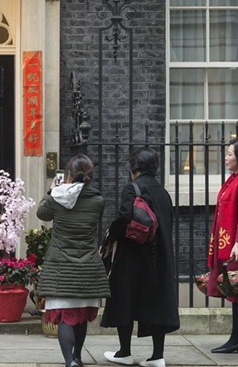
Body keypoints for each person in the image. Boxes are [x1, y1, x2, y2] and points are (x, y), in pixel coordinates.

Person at [101, 147, 179, 367]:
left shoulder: (132, 189)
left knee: (124, 300)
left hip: (132, 257)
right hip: (159, 256)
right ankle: (157, 356)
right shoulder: (163, 192)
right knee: (156, 303)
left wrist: (110, 235)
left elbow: (125, 218)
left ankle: (124, 352)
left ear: (134, 167)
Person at [36, 154, 110, 367]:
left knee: (64, 317)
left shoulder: (56, 198)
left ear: (68, 173)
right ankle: (77, 356)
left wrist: (52, 190)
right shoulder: (98, 201)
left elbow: (42, 214)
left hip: (61, 265)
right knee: (81, 314)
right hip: (87, 265)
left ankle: (70, 361)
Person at [206, 139, 238, 353]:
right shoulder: (234, 179)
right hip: (235, 243)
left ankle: (236, 340)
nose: (226, 157)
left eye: (229, 154)